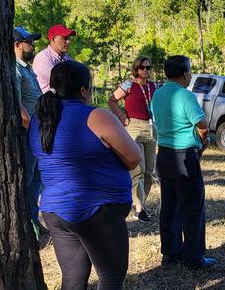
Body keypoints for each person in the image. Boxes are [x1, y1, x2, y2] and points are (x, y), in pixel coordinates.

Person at [28, 60, 141, 289]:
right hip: (97, 209)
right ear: (83, 90)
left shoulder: (39, 119)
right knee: (110, 277)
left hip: (55, 211)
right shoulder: (97, 117)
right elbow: (133, 158)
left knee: (73, 277)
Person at [150, 55, 215, 269]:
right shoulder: (185, 96)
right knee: (193, 207)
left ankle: (170, 252)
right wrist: (202, 144)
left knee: (169, 205)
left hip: (165, 154)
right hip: (184, 155)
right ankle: (194, 257)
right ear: (185, 74)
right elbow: (202, 125)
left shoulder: (157, 94)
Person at [108, 56, 157, 222]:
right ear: (136, 69)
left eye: (148, 67)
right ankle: (138, 208)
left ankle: (141, 202)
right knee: (138, 168)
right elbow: (112, 100)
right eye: (142, 67)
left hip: (151, 127)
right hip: (134, 127)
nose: (145, 70)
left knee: (149, 171)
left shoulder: (152, 85)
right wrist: (121, 116)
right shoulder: (128, 84)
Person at [13, 26, 46, 240]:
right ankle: (27, 228)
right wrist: (33, 131)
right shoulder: (14, 69)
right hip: (28, 135)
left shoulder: (26, 68)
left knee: (37, 181)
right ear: (16, 45)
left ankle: (34, 221)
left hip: (37, 132)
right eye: (29, 42)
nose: (33, 46)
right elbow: (18, 106)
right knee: (28, 179)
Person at [33, 24, 76, 93]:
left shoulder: (66, 57)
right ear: (53, 39)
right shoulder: (42, 57)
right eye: (64, 38)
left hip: (61, 99)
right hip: (47, 101)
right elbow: (59, 82)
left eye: (69, 38)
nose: (68, 42)